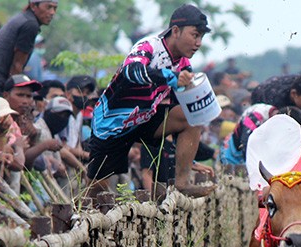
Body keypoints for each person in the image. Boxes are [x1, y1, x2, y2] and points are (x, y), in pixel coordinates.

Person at [87, 4, 214, 198]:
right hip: (112, 125)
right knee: (96, 190)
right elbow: (131, 72)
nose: (198, 43)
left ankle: (181, 183)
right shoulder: (149, 46)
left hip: (144, 119)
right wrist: (170, 76)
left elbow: (176, 108)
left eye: (201, 38)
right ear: (176, 31)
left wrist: (188, 161)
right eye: (195, 35)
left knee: (191, 117)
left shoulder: (184, 65)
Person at [0, 0, 58, 92]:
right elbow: (17, 66)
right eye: (48, 7)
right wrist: (12, 93)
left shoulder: (24, 18)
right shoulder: (30, 24)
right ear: (33, 6)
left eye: (55, 8)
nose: (52, 12)